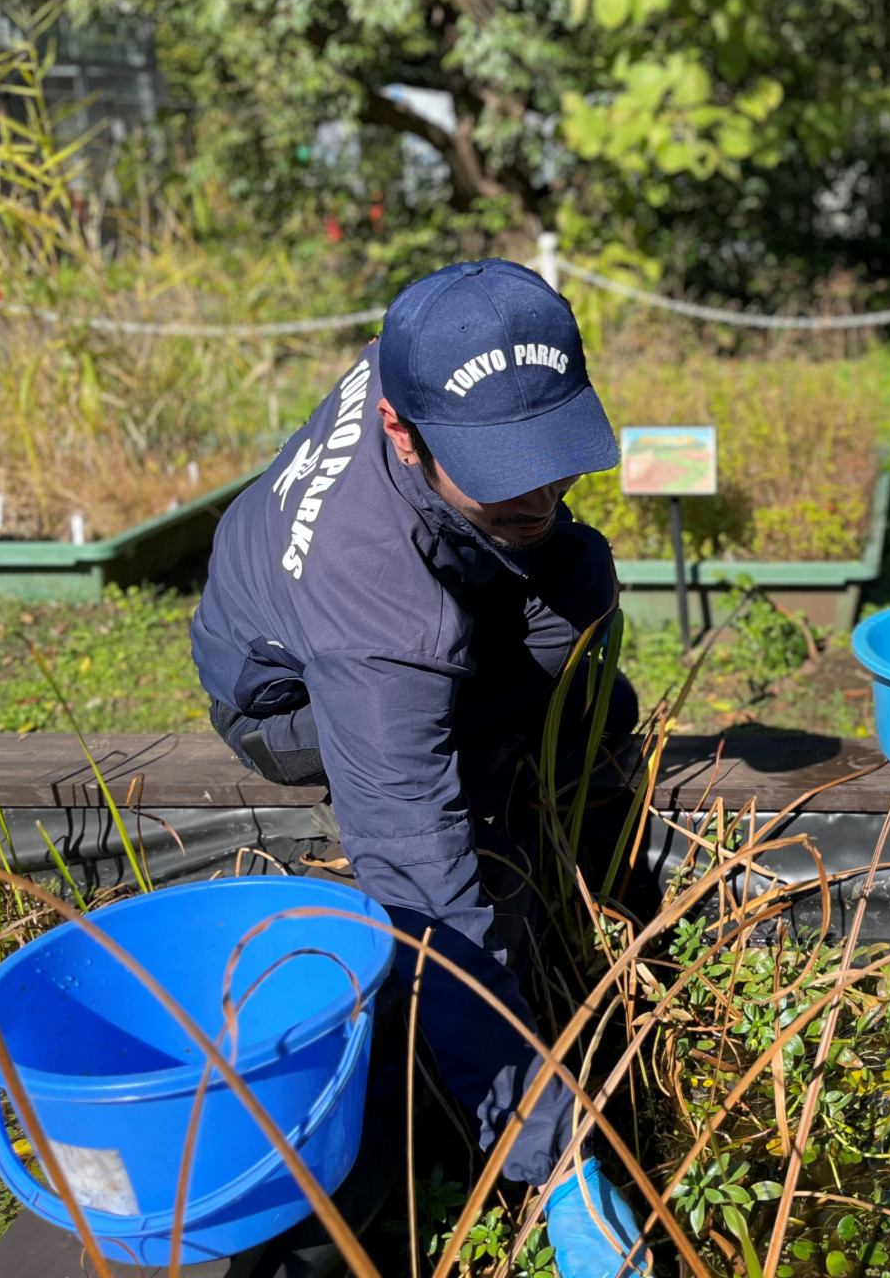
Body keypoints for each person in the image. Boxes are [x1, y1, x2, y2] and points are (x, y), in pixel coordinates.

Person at [192, 259, 650, 1276]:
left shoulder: (437, 350)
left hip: (398, 591)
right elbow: (422, 894)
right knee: (462, 815)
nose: (540, 486)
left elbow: (534, 528)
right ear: (402, 430)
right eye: (505, 465)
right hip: (287, 701)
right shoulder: (377, 610)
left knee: (577, 569)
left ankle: (560, 750)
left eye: (551, 448)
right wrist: (558, 1156)